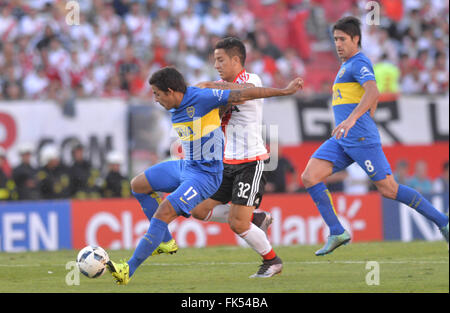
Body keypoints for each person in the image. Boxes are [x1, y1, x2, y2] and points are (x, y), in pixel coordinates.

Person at [106, 66, 303, 285]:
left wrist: (284, 91)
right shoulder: (182, 99)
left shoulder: (201, 98)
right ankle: (166, 242)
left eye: (157, 94)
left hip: (205, 176)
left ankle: (127, 270)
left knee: (164, 212)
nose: (155, 99)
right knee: (138, 184)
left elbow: (246, 93)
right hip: (186, 166)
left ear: (170, 91)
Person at [300, 16, 449, 256]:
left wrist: (353, 119)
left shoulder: (359, 63)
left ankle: (443, 222)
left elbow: (373, 91)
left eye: (342, 39)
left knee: (389, 189)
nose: (337, 44)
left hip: (360, 139)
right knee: (309, 176)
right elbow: (371, 97)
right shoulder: (346, 65)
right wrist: (362, 113)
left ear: (355, 39)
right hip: (342, 139)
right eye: (335, 39)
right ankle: (337, 231)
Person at [190, 37, 282, 278]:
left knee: (238, 224)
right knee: (197, 209)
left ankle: (272, 262)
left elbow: (241, 95)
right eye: (215, 60)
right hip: (226, 163)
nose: (217, 64)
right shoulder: (218, 87)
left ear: (236, 60)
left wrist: (208, 86)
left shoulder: (252, 80)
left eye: (221, 60)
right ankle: (257, 217)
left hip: (251, 162)